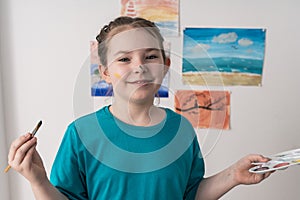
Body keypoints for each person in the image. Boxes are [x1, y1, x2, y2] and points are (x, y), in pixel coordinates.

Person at [7, 16, 273, 200]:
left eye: (151, 56)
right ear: (105, 73)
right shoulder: (81, 134)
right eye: (124, 58)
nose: (139, 66)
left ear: (165, 64)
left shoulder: (181, 129)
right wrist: (39, 181)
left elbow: (190, 194)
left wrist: (233, 175)